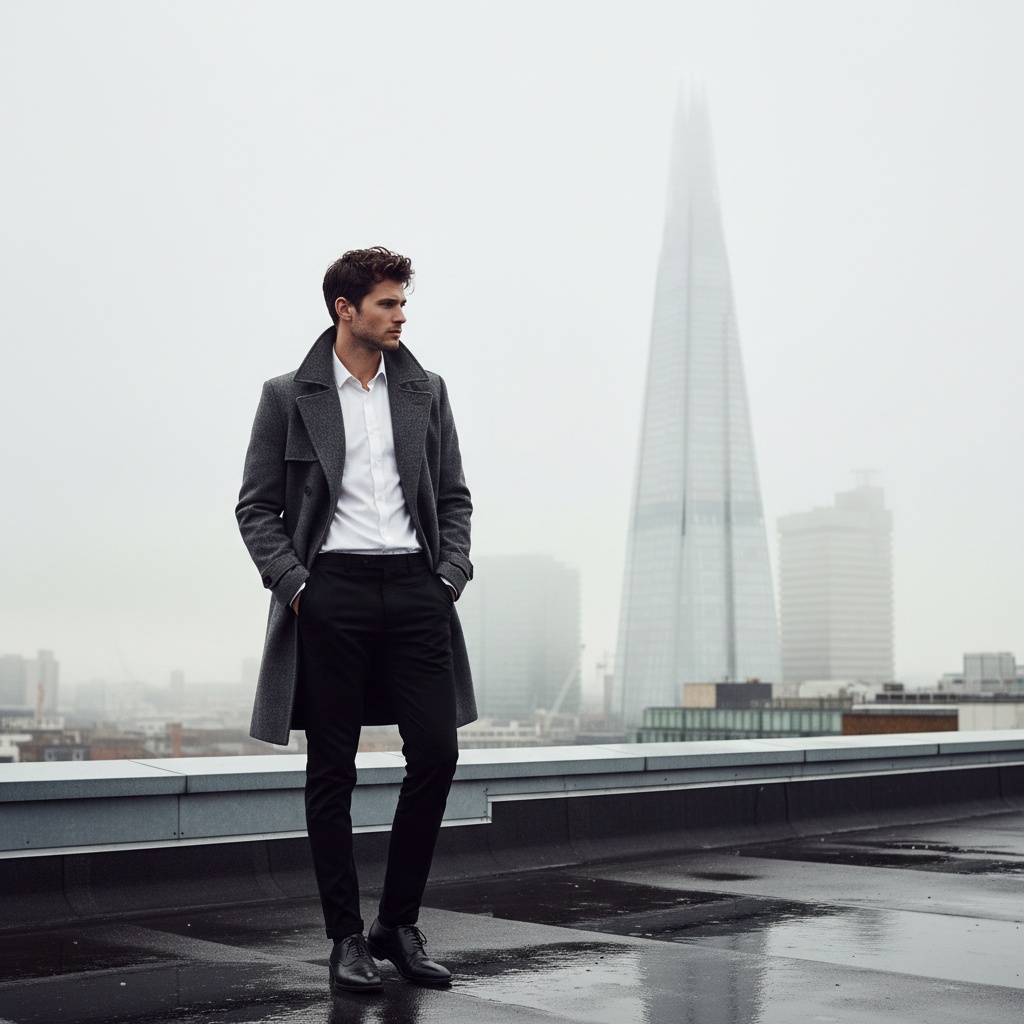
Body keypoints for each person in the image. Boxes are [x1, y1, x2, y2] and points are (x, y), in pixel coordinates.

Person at [236, 247, 476, 994]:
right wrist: (298, 588)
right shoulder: (288, 395)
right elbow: (256, 507)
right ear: (346, 310)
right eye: (387, 304)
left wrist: (449, 576)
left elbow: (454, 495)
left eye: (403, 302)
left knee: (436, 752)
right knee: (331, 769)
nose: (401, 316)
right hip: (329, 590)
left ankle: (396, 925)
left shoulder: (426, 391)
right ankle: (345, 938)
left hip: (416, 589)